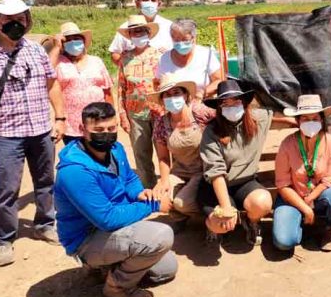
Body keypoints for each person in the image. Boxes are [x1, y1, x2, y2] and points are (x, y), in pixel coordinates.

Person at [54, 102, 176, 297]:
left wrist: (140, 192)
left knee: (167, 268)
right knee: (161, 236)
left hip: (113, 226)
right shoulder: (74, 171)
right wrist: (154, 206)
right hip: (87, 237)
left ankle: (107, 266)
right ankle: (116, 288)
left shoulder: (116, 149)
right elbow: (107, 219)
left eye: (111, 129)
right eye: (99, 130)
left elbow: (129, 178)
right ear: (83, 130)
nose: (107, 135)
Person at [0, 0, 66, 266]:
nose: (17, 23)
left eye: (22, 18)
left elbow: (52, 85)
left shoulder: (36, 50)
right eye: (10, 19)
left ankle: (44, 224)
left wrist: (60, 117)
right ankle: (4, 238)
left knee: (45, 181)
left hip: (40, 129)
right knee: (6, 187)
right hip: (6, 134)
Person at [272, 95, 331, 252]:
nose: (311, 123)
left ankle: (327, 228)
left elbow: (329, 180)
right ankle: (302, 223)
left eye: (315, 118)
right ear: (297, 121)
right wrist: (306, 208)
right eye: (305, 119)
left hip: (319, 196)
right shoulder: (287, 144)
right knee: (283, 242)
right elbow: (283, 184)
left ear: (322, 120)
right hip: (292, 197)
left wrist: (310, 198)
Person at [200, 80, 274, 246]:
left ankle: (252, 221)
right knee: (221, 223)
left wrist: (300, 121)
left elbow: (277, 114)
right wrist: (226, 208)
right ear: (218, 107)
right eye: (225, 103)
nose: (231, 106)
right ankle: (212, 227)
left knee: (262, 202)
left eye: (236, 100)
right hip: (216, 186)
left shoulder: (258, 120)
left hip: (245, 182)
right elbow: (216, 172)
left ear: (245, 102)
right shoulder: (211, 132)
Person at [149, 74, 215, 230]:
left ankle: (209, 217)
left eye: (177, 93)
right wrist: (164, 180)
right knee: (159, 198)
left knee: (181, 202)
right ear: (162, 100)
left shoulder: (199, 112)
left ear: (186, 95)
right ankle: (180, 217)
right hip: (180, 171)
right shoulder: (161, 122)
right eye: (168, 95)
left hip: (203, 171)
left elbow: (224, 120)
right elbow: (163, 157)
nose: (173, 98)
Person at [117, 15, 164, 188]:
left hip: (159, 112)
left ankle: (166, 187)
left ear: (148, 32)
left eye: (141, 31)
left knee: (164, 152)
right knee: (141, 154)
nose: (138, 34)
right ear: (130, 35)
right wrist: (122, 115)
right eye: (134, 32)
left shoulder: (160, 55)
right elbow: (121, 88)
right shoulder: (125, 58)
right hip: (135, 114)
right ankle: (149, 189)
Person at [51, 22, 113, 144]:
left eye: (77, 38)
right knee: (77, 158)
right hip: (71, 124)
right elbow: (44, 72)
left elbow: (108, 91)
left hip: (98, 120)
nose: (73, 42)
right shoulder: (58, 63)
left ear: (83, 41)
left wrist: (111, 116)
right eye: (68, 40)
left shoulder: (96, 61)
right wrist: (56, 48)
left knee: (100, 155)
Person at [156, 18, 221, 99]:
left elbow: (219, 80)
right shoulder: (163, 59)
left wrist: (202, 93)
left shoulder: (206, 55)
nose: (180, 43)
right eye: (176, 40)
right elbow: (157, 83)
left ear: (194, 38)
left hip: (202, 103)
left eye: (185, 39)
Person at [108, 0, 173, 65]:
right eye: (145, 0)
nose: (149, 3)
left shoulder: (170, 26)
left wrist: (169, 54)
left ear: (159, 4)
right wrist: (127, 64)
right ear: (137, 3)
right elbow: (115, 53)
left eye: (153, 0)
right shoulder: (126, 28)